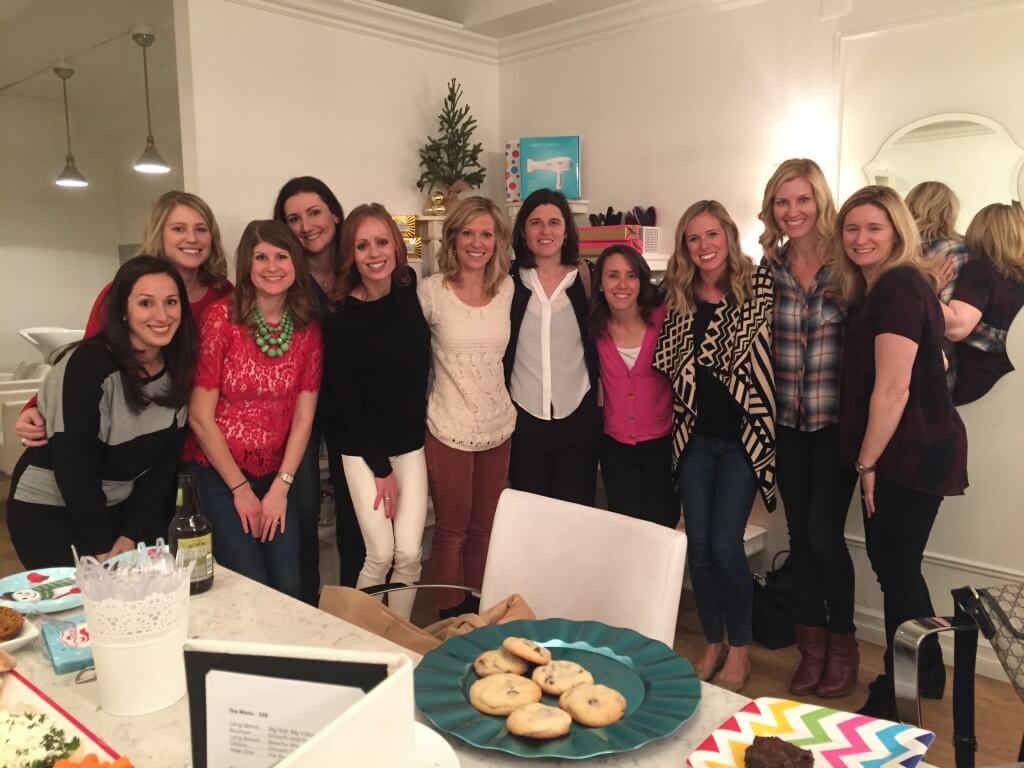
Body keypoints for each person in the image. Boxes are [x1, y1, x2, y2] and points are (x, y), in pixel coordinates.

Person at [830, 185, 968, 718]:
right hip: (915, 448)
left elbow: (892, 390)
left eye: (874, 228)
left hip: (909, 454)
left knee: (896, 569)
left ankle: (899, 686)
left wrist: (867, 464)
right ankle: (925, 672)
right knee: (899, 568)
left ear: (897, 232)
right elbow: (932, 361)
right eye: (852, 228)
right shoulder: (892, 287)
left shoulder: (897, 288)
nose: (861, 239)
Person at [653, 200, 776, 693]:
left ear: (728, 234)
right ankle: (712, 640)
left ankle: (740, 650)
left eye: (712, 235)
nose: (704, 247)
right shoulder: (677, 295)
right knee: (698, 549)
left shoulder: (758, 288)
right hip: (694, 439)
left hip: (744, 439)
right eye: (693, 238)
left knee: (726, 547)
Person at [7, 256, 197, 568]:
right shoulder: (87, 366)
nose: (162, 315)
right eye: (146, 303)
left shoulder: (176, 371)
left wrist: (129, 535)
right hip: (51, 511)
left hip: (116, 508)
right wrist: (100, 544)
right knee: (80, 611)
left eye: (171, 302)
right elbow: (75, 469)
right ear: (123, 310)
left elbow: (161, 470)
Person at [15, 190, 232, 447]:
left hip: (205, 431)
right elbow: (84, 364)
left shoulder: (224, 294)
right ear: (159, 234)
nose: (192, 238)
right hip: (139, 430)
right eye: (178, 228)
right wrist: (35, 407)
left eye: (201, 229)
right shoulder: (119, 291)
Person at [758, 159, 859, 697]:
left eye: (802, 199)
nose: (792, 211)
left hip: (836, 426)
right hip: (787, 424)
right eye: (782, 201)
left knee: (824, 536)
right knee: (800, 537)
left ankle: (841, 644)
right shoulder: (767, 268)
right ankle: (810, 646)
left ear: (819, 201)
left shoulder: (849, 266)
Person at [183, 220, 321, 598]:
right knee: (251, 586)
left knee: (289, 584)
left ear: (296, 264)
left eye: (281, 256)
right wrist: (240, 489)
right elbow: (199, 416)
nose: (272, 266)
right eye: (261, 257)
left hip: (276, 475)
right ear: (247, 264)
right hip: (218, 474)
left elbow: (304, 417)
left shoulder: (307, 329)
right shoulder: (221, 319)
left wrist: (281, 486)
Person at [323, 203, 430, 620]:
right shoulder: (340, 316)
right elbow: (347, 402)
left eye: (382, 241)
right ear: (350, 254)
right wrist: (381, 469)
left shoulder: (407, 289)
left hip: (409, 446)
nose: (374, 253)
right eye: (362, 245)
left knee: (409, 553)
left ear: (397, 245)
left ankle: (399, 640)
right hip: (363, 451)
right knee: (380, 552)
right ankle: (361, 642)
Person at [418, 196, 515, 618]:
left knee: (485, 529)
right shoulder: (431, 291)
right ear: (453, 238)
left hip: (499, 426)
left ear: (498, 241)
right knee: (452, 531)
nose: (477, 242)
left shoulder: (507, 289)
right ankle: (448, 620)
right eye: (468, 233)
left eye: (486, 234)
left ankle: (476, 614)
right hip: (448, 426)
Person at [274, 176, 362, 601]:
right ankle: (306, 610)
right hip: (298, 416)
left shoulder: (361, 266)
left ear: (335, 214)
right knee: (303, 515)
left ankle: (355, 611)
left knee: (356, 517)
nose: (306, 225)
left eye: (314, 212)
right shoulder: (282, 277)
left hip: (352, 411)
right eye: (293, 218)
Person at [504, 188, 601, 505]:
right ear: (522, 230)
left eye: (554, 222)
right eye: (536, 222)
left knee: (575, 519)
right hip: (523, 419)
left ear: (566, 230)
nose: (545, 231)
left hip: (578, 419)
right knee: (529, 519)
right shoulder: (508, 282)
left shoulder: (588, 279)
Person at [588, 244, 675, 527]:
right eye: (613, 276)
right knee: (625, 531)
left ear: (642, 281)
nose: (622, 284)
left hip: (662, 446)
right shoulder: (593, 329)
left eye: (631, 275)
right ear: (600, 284)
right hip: (615, 448)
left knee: (662, 530)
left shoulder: (665, 317)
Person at [942, 202, 1024, 404]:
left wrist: (921, 287)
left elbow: (956, 327)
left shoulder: (980, 271)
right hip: (1013, 387)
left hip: (980, 392)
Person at [905, 181, 969, 391]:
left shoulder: (896, 247)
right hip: (936, 360)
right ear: (950, 211)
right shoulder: (956, 251)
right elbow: (948, 323)